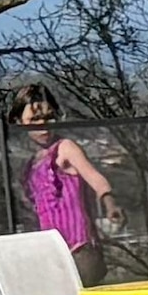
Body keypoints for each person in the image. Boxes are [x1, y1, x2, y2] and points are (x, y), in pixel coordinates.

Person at [9, 86, 111, 257]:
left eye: (49, 117)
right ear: (19, 122)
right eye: (34, 119)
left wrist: (109, 202)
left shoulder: (65, 148)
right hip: (53, 250)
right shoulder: (31, 165)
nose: (43, 125)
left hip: (80, 246)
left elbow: (94, 177)